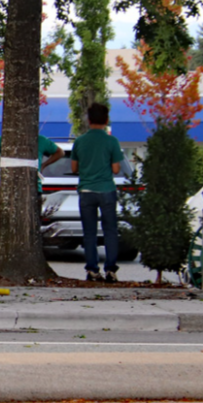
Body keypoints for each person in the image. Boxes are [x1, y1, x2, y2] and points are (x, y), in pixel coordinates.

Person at [70, 102, 124, 283]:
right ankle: (111, 270)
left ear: (88, 119)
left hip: (86, 190)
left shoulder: (80, 141)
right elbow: (116, 169)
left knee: (89, 233)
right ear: (106, 119)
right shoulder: (112, 141)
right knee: (110, 231)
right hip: (107, 190)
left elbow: (74, 167)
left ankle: (92, 270)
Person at [0, 125, 65, 212]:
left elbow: (60, 152)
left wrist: (44, 165)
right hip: (10, 188)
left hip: (33, 188)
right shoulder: (6, 139)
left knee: (33, 220)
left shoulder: (40, 140)